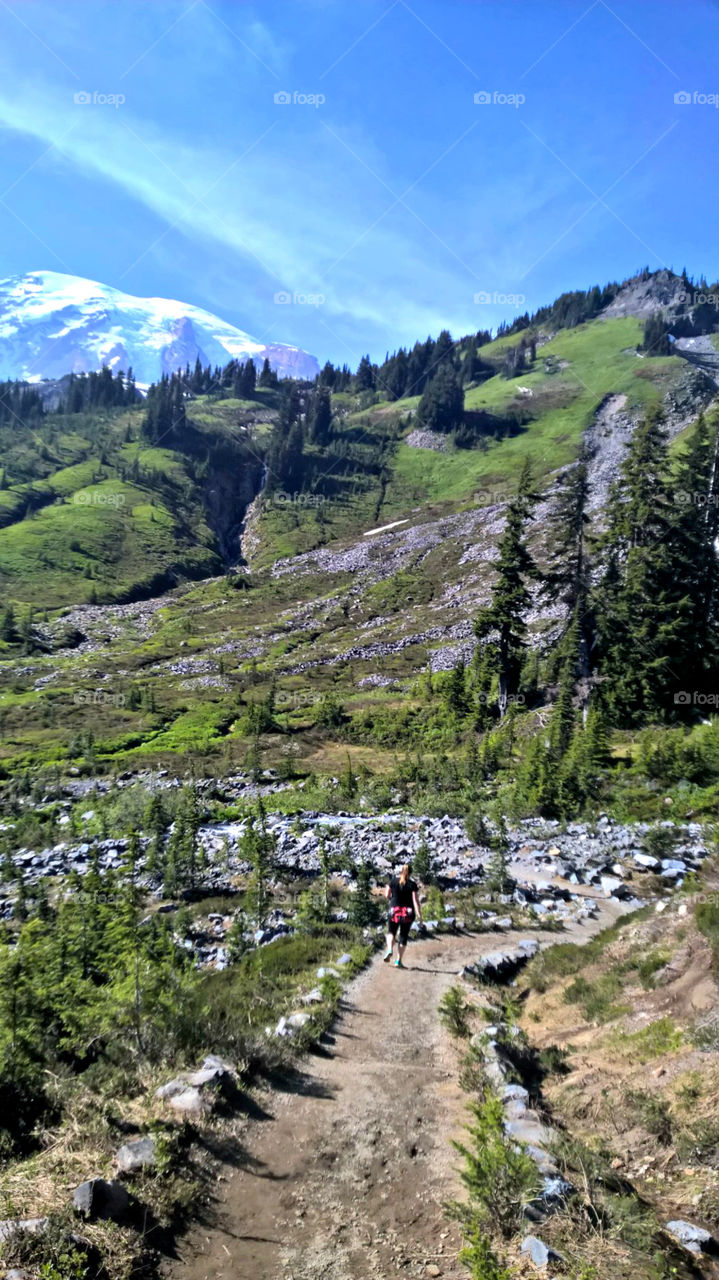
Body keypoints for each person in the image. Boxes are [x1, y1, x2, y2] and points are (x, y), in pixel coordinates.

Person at [383, 860, 422, 968]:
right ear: (410, 873)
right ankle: (398, 961)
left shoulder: (393, 881)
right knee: (403, 936)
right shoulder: (412, 885)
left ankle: (390, 949)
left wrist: (392, 899)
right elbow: (415, 901)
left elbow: (386, 895)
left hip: (394, 911)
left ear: (401, 871)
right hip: (407, 913)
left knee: (391, 932)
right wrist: (419, 915)